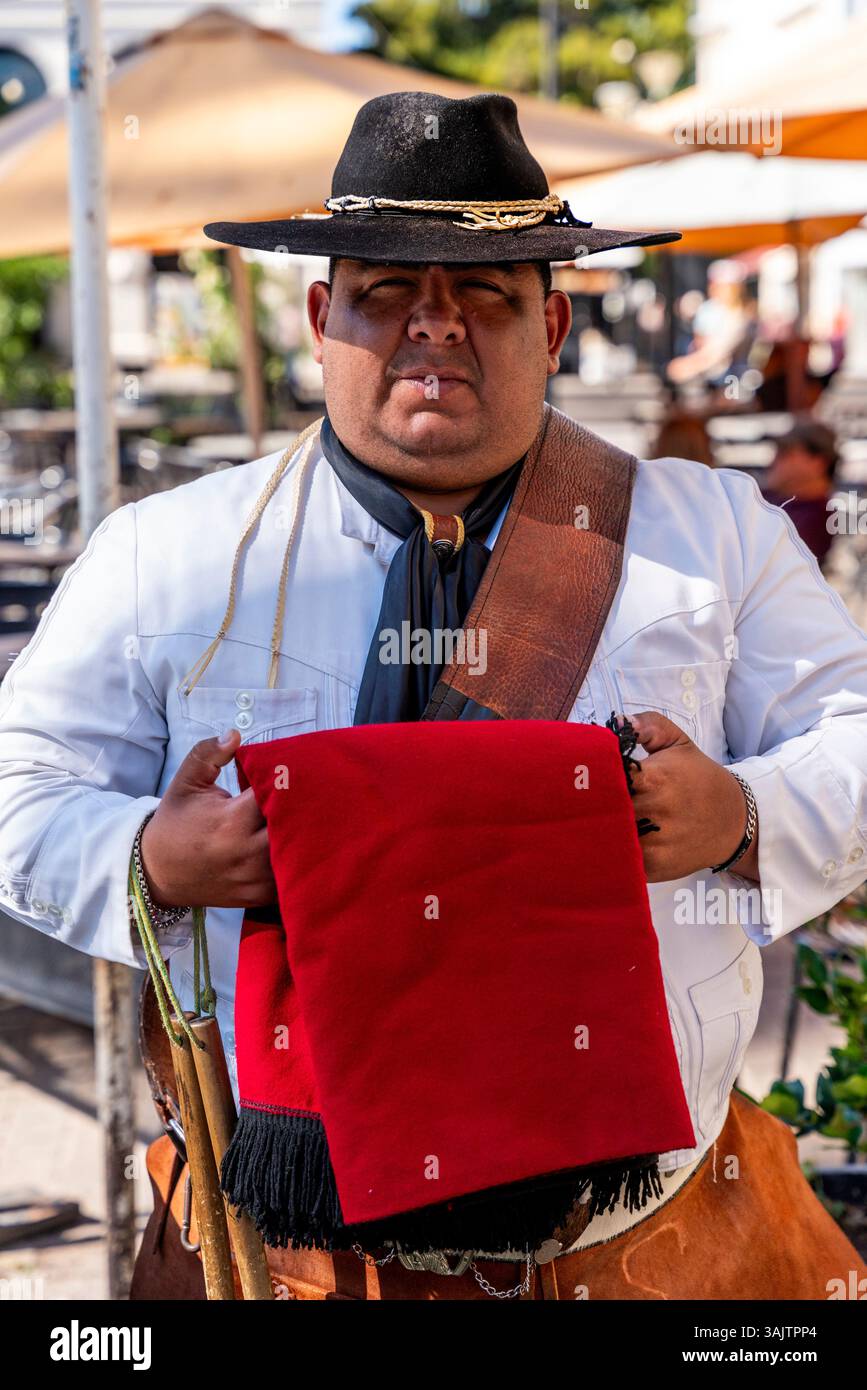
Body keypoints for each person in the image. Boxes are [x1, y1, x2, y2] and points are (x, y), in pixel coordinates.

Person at [0, 91, 866, 1302]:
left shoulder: (714, 533)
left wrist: (744, 817)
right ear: (321, 315)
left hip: (638, 1252)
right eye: (388, 292)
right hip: (283, 1254)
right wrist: (151, 856)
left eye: (487, 295)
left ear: (553, 321)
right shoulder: (165, 550)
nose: (436, 326)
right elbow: (17, 788)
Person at [762, 419, 838, 570]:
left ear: (818, 462)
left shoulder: (822, 517)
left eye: (785, 453)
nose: (775, 460)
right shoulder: (765, 496)